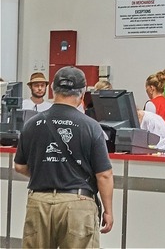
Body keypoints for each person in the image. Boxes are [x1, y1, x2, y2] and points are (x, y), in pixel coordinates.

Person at [13, 66, 114, 248]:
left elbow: (19, 166)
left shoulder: (31, 124)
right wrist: (108, 210)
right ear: (83, 94)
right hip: (78, 203)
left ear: (52, 89)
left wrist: (45, 171)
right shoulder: (91, 127)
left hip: (39, 202)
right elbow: (104, 175)